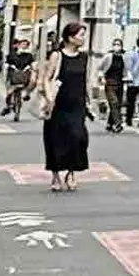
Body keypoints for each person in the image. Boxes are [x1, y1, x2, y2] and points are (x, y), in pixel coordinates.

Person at [40, 21, 91, 192]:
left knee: (78, 138)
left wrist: (89, 99)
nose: (83, 38)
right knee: (55, 139)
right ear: (70, 37)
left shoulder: (84, 57)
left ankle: (71, 173)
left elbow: (85, 80)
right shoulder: (57, 55)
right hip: (58, 103)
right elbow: (47, 77)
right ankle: (55, 175)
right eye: (81, 35)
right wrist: (49, 98)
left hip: (77, 104)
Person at [3, 41, 34, 121]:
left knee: (19, 93)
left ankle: (17, 110)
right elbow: (6, 64)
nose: (24, 46)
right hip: (13, 77)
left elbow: (32, 65)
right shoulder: (12, 55)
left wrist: (29, 68)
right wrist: (11, 67)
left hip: (23, 77)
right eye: (22, 44)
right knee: (9, 93)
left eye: (26, 45)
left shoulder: (29, 56)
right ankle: (8, 106)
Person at [101, 39, 126, 132]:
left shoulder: (124, 58)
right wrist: (102, 78)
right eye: (115, 44)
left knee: (117, 104)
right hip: (109, 83)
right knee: (114, 102)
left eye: (118, 44)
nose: (116, 46)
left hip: (120, 83)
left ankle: (109, 123)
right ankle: (118, 123)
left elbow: (126, 70)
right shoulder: (108, 57)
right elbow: (100, 68)